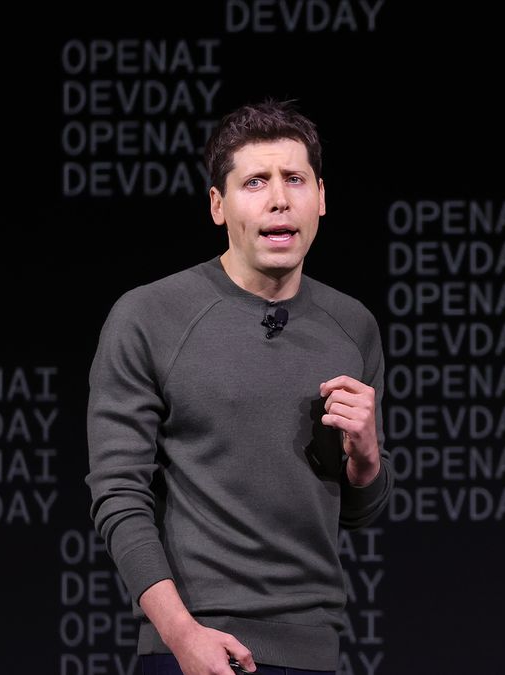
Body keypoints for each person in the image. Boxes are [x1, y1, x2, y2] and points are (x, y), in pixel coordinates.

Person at [85, 99, 392, 675]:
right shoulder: (150, 316)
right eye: (256, 182)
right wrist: (181, 636)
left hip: (315, 651)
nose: (279, 199)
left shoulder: (353, 327)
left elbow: (357, 512)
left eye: (295, 179)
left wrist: (368, 462)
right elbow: (118, 495)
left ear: (321, 198)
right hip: (197, 647)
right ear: (218, 206)